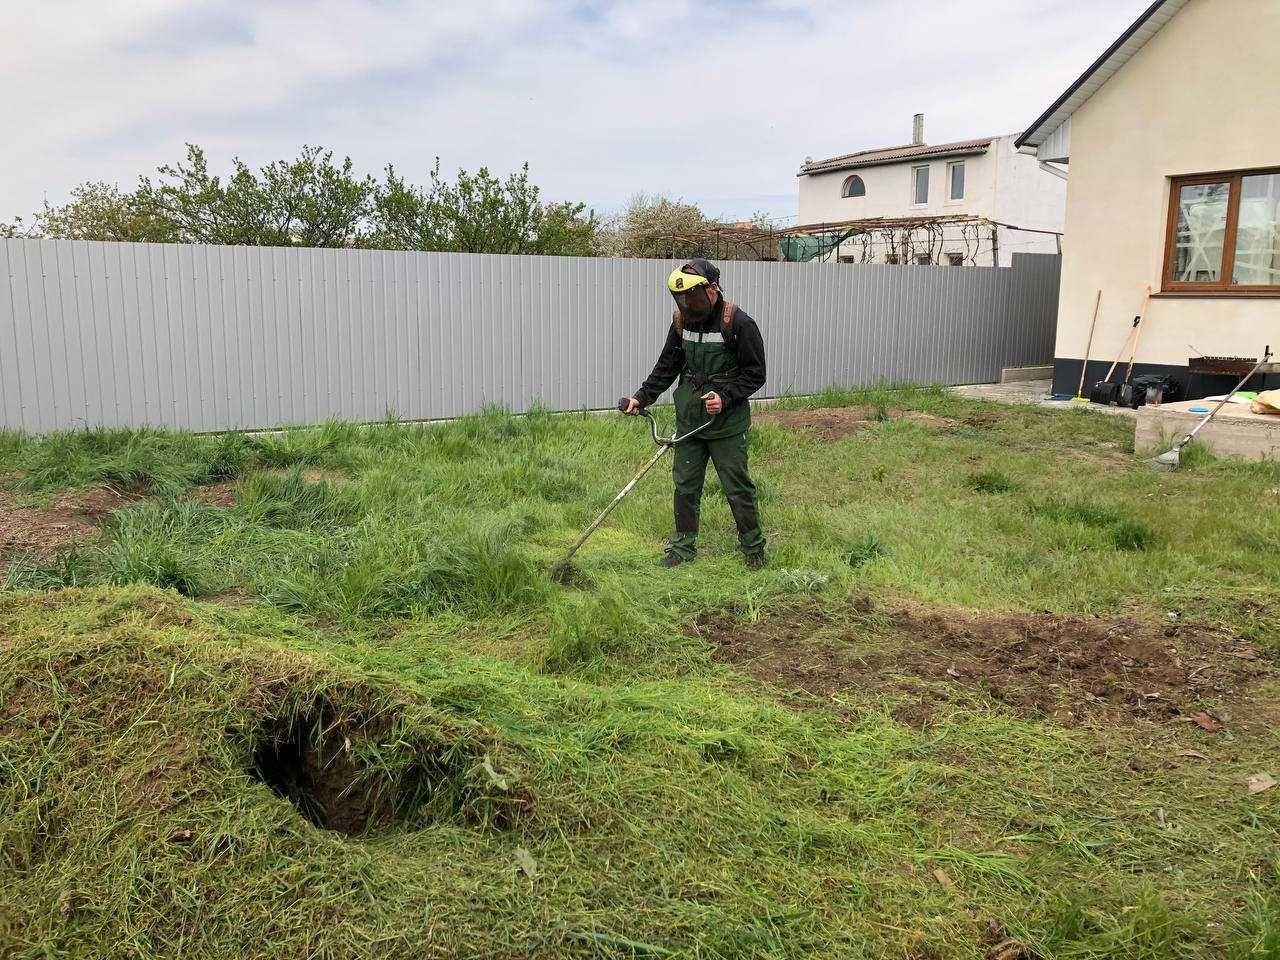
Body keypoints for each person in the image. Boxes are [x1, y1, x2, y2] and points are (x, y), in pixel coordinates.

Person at [624, 259, 767, 569]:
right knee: (685, 485)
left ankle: (753, 549)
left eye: (693, 296)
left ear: (712, 290)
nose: (687, 303)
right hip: (690, 421)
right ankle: (682, 548)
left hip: (726, 424)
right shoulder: (681, 322)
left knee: (736, 486)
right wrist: (641, 397)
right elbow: (667, 366)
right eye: (682, 298)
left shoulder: (739, 323)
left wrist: (725, 398)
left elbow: (756, 374)